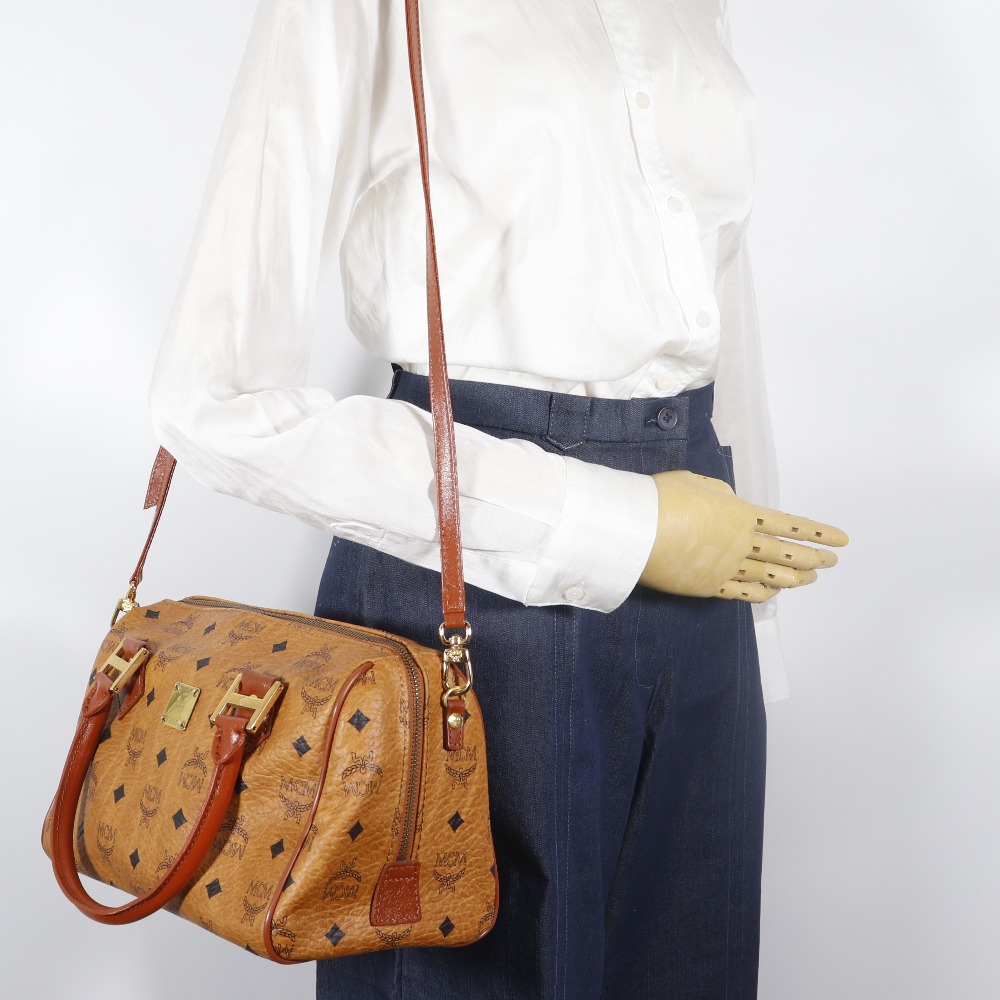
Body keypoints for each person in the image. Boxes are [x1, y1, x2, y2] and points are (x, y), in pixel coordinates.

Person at [148, 2, 847, 997]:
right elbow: (212, 400)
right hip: (475, 597)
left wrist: (752, 624)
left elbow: (715, 302)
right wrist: (627, 525)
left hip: (706, 585)